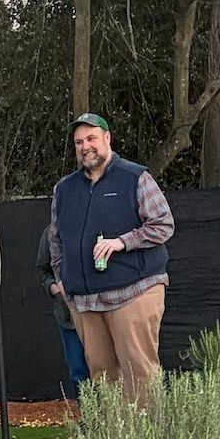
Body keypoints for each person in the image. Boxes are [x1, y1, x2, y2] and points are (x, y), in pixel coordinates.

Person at [48, 113, 174, 401]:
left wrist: (123, 242)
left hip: (134, 292)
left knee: (140, 376)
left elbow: (163, 224)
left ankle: (147, 433)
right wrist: (62, 278)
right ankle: (112, 434)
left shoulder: (135, 177)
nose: (85, 146)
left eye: (91, 138)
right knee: (103, 381)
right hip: (85, 301)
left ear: (107, 138)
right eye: (79, 142)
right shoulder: (64, 189)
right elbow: (56, 240)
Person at [36, 224, 89, 398]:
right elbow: (43, 270)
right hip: (68, 317)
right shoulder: (51, 232)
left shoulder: (97, 224)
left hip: (99, 312)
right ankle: (88, 413)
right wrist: (55, 289)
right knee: (78, 372)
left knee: (105, 370)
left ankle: (109, 414)